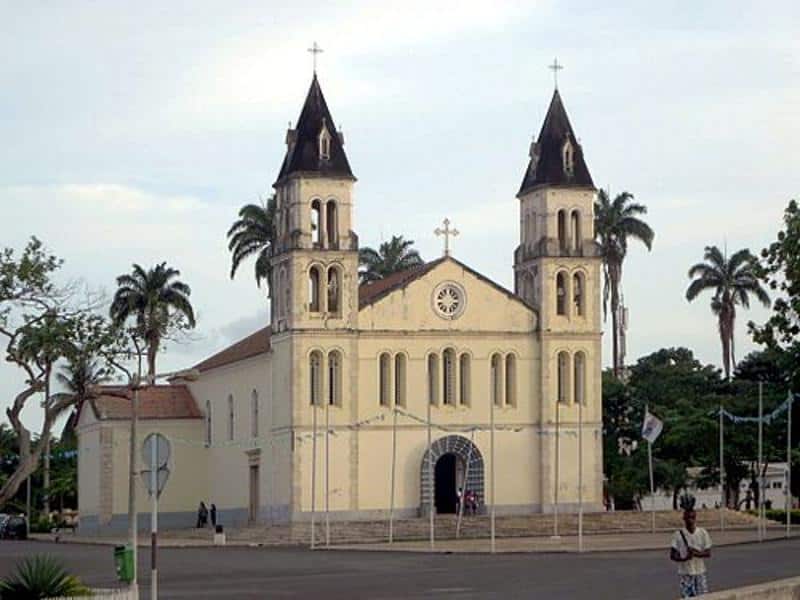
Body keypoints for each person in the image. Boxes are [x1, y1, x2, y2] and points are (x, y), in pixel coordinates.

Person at [670, 494, 712, 598]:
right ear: (684, 518)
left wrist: (695, 553)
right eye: (688, 517)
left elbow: (708, 553)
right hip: (685, 574)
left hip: (700, 572)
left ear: (695, 518)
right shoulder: (677, 535)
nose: (690, 520)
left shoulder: (702, 533)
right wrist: (684, 558)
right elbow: (672, 555)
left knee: (702, 597)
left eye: (692, 517)